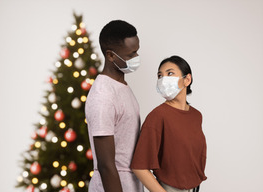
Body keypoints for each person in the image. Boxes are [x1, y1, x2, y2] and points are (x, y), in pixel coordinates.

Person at [131, 55, 207, 192]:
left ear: (187, 79)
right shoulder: (158, 116)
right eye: (160, 76)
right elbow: (139, 167)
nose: (163, 79)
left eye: (170, 73)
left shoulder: (196, 116)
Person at [85, 20, 143, 192]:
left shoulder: (121, 87)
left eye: (137, 52)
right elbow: (106, 165)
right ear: (110, 55)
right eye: (131, 54)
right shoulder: (103, 95)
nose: (136, 58)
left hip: (131, 183)